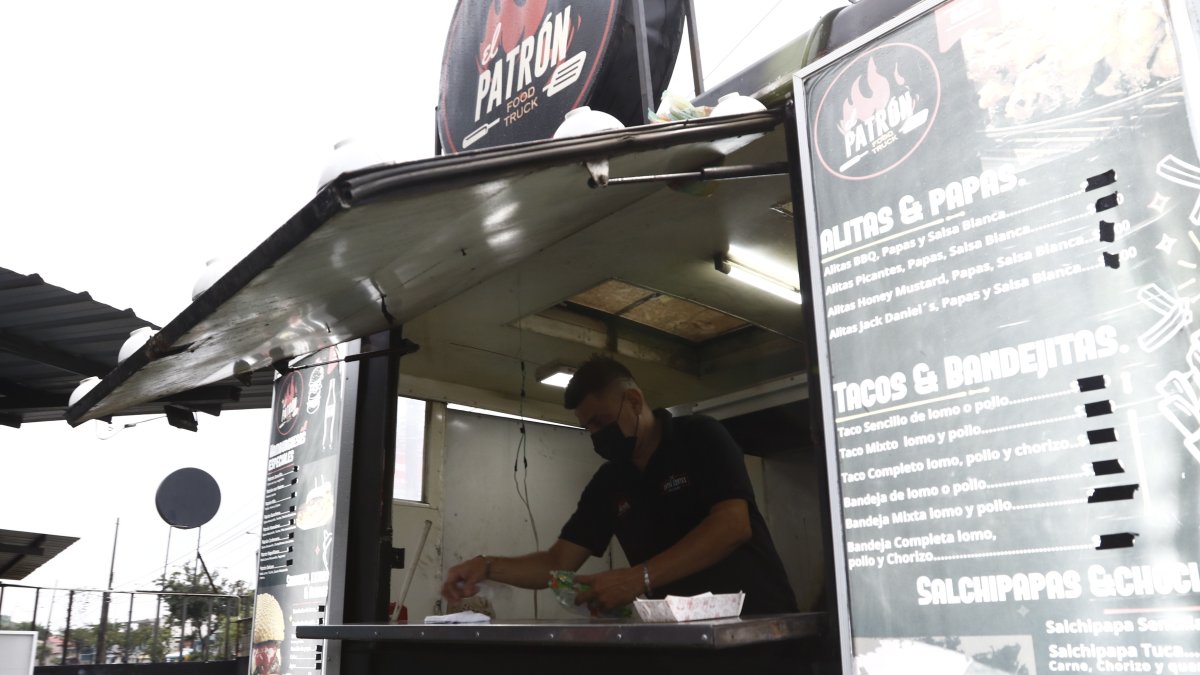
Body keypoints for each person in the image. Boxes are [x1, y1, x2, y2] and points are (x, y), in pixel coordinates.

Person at [441, 354, 798, 615]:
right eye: (588, 428)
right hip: (686, 640)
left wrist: (636, 579)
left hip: (757, 626)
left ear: (634, 401)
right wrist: (486, 565)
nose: (597, 434)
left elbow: (732, 525)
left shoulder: (699, 437)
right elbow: (557, 562)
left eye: (602, 421)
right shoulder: (610, 482)